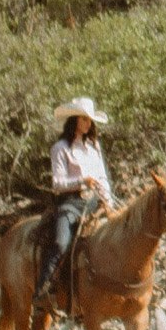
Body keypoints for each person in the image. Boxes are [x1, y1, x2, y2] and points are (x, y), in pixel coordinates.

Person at [42, 97, 113, 312]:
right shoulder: (60, 149)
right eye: (84, 119)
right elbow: (57, 184)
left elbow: (102, 177)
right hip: (70, 204)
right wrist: (81, 181)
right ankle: (45, 287)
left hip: (93, 203)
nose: (88, 124)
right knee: (62, 243)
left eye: (90, 120)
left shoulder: (94, 147)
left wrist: (108, 201)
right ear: (74, 120)